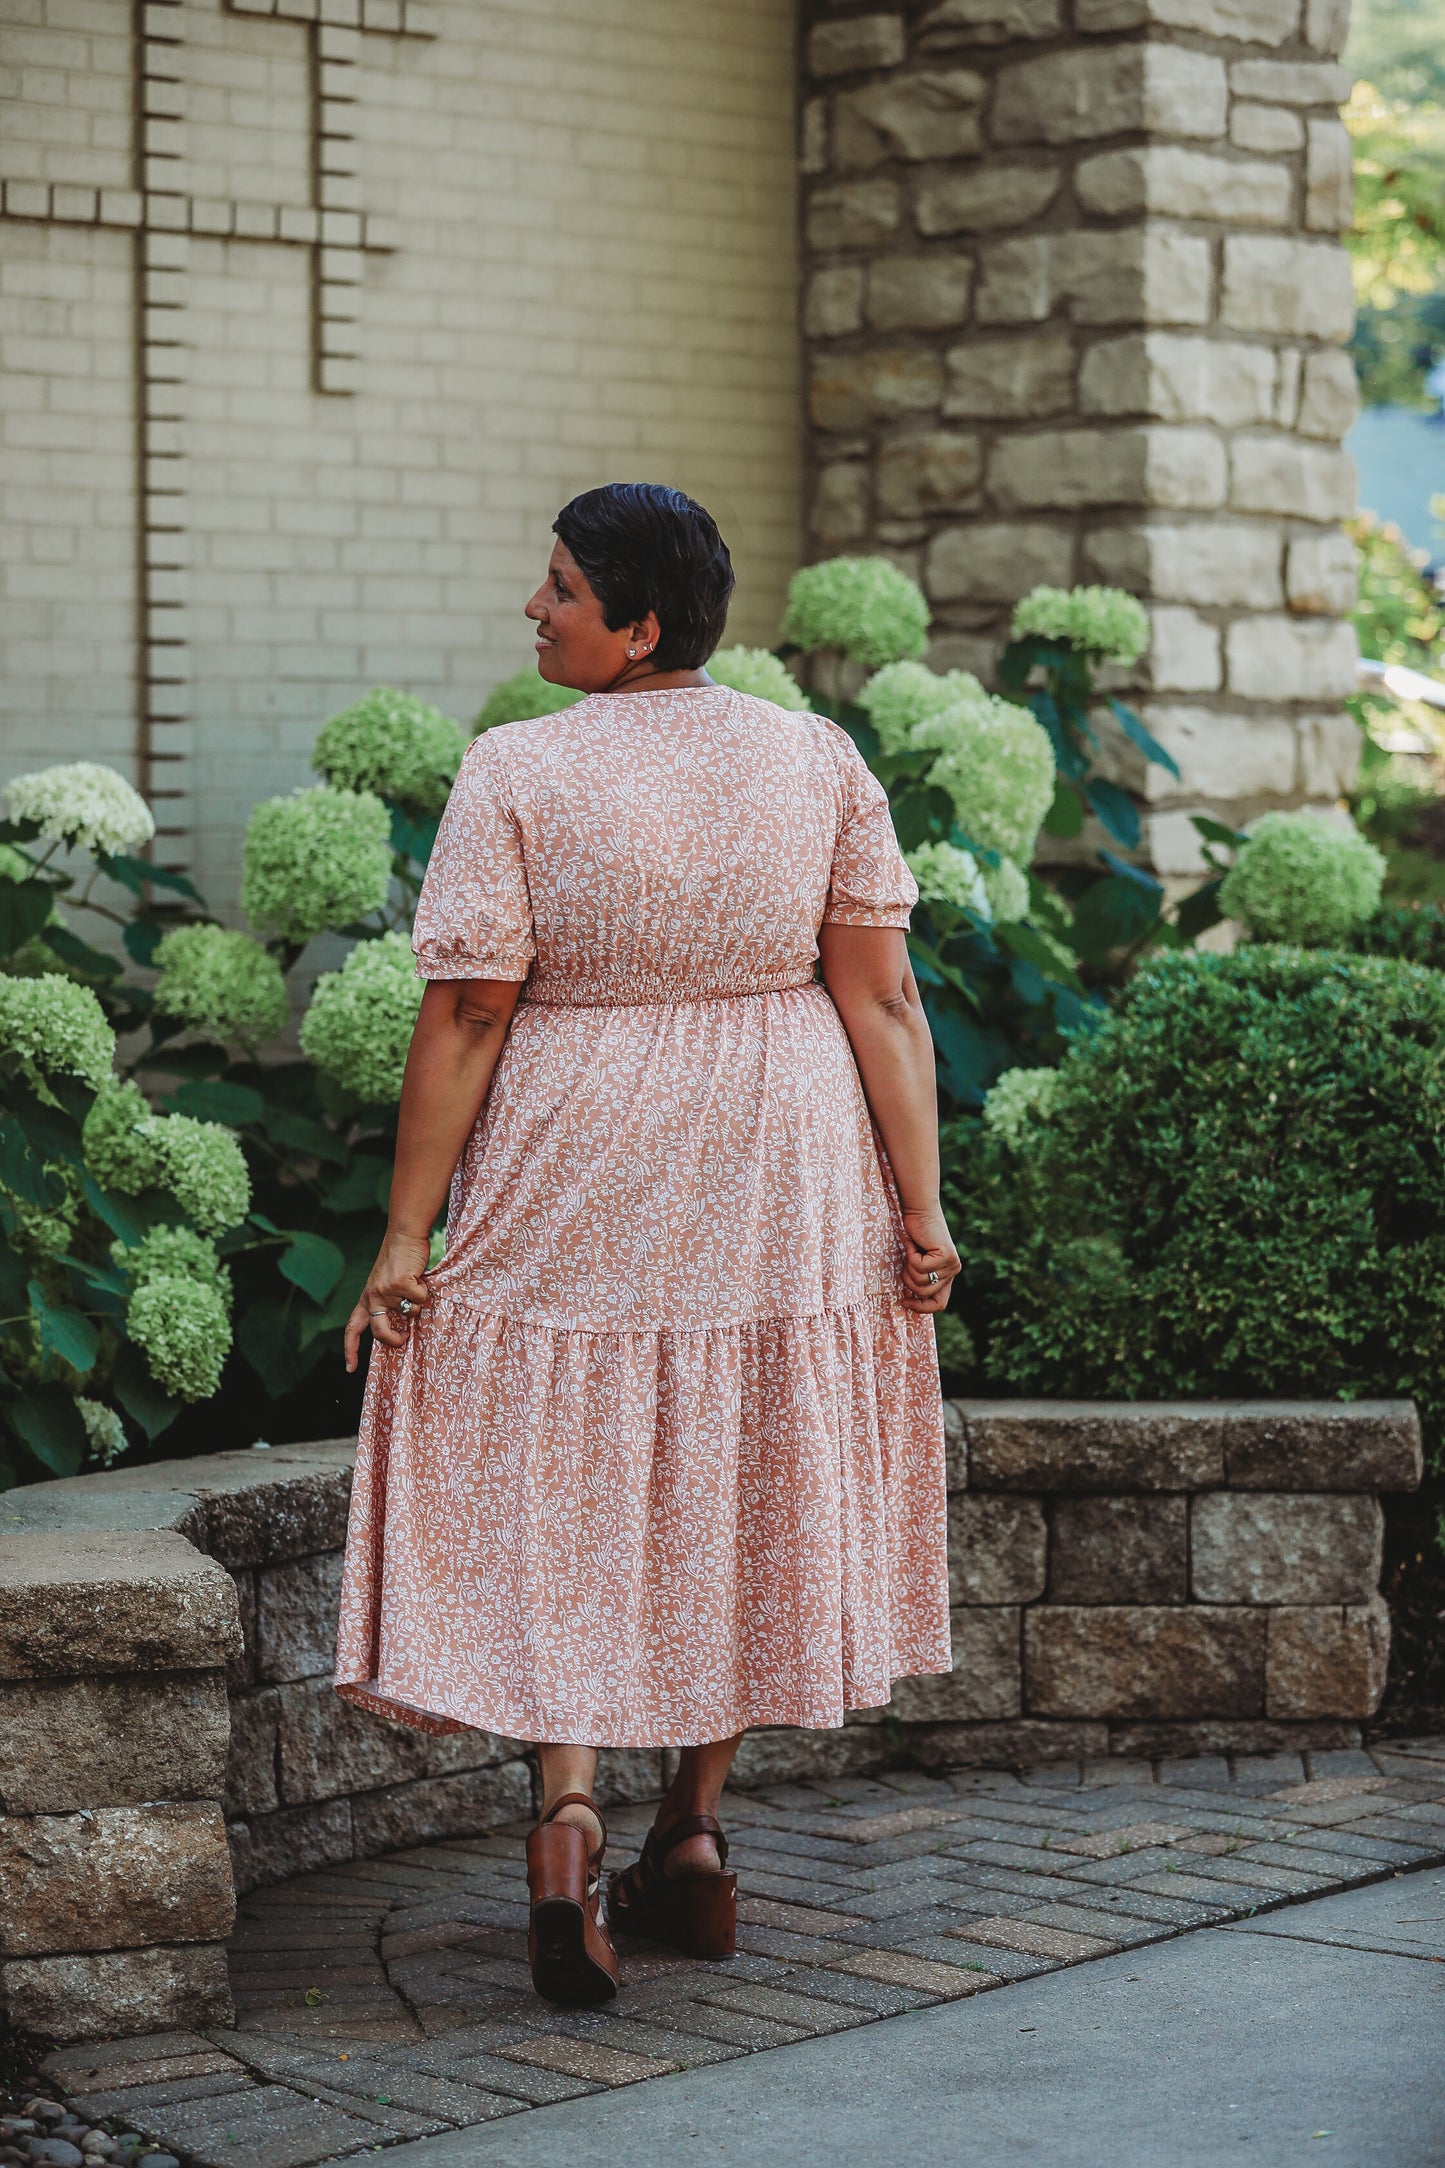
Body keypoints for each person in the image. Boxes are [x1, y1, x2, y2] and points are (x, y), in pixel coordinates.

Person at [334, 482, 959, 2007]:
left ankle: (564, 1819)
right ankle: (687, 1836)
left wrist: (403, 1235)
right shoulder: (813, 757)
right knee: (742, 1455)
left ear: (639, 625)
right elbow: (879, 999)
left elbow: (473, 1005)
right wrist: (922, 1207)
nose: (532, 611)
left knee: (572, 1465)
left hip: (579, 1143)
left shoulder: (518, 770)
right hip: (778, 1152)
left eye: (558, 590)